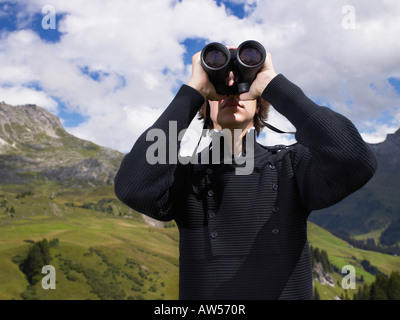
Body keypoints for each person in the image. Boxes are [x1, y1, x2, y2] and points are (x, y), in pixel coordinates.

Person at [114, 47, 377, 300]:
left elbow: (355, 160)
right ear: (207, 108)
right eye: (221, 88)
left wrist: (272, 83)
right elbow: (133, 187)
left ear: (258, 104)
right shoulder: (186, 177)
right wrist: (192, 92)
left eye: (240, 84)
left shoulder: (291, 166)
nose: (231, 91)